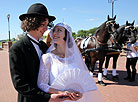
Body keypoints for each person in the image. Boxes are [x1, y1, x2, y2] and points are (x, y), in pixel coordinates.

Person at [9, 3, 70, 102]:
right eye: (42, 25)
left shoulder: (44, 46)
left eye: (47, 25)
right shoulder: (17, 48)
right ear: (32, 23)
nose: (46, 29)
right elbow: (20, 84)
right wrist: (47, 98)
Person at [37, 22, 103, 102]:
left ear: (67, 34)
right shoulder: (47, 58)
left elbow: (83, 80)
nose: (55, 33)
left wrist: (81, 93)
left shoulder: (75, 57)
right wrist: (63, 93)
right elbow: (42, 84)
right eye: (54, 30)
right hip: (58, 99)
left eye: (59, 30)